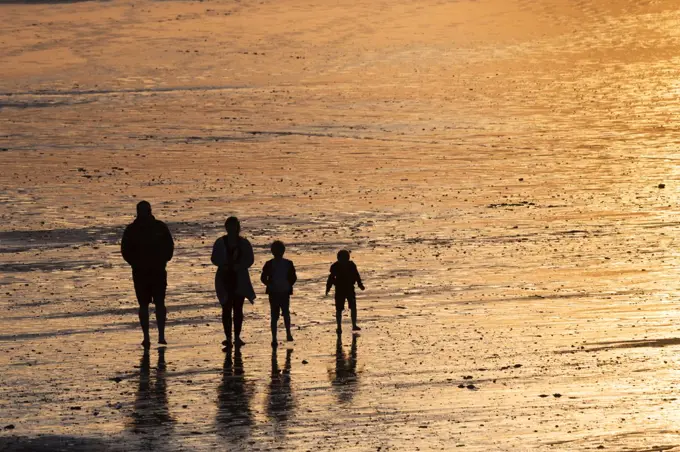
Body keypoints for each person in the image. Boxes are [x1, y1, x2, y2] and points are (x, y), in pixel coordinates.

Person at [121, 201, 174, 348]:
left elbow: (169, 247)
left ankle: (161, 335)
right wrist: (135, 263)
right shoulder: (132, 230)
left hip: (157, 270)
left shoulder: (160, 227)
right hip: (141, 272)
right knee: (143, 305)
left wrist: (163, 260)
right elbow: (125, 251)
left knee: (159, 303)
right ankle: (146, 337)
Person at [211, 216, 255, 349]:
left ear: (237, 227)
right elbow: (214, 258)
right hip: (224, 278)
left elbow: (250, 260)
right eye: (229, 226)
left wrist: (239, 266)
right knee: (226, 307)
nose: (231, 228)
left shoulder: (244, 243)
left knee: (238, 308)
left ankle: (237, 337)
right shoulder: (220, 242)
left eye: (234, 226)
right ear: (226, 227)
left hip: (240, 278)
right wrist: (223, 265)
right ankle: (228, 337)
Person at [260, 241, 297, 347]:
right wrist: (270, 285)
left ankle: (286, 334)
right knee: (277, 315)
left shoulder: (287, 263)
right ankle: (276, 337)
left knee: (283, 314)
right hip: (275, 292)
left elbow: (293, 277)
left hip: (283, 292)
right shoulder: (270, 264)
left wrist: (289, 285)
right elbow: (263, 278)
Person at [325, 250, 365, 334]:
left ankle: (346, 326)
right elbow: (331, 278)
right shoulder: (337, 266)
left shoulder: (349, 265)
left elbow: (356, 275)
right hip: (342, 289)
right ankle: (341, 326)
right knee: (343, 308)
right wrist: (328, 288)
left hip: (347, 288)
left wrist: (360, 284)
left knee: (348, 307)